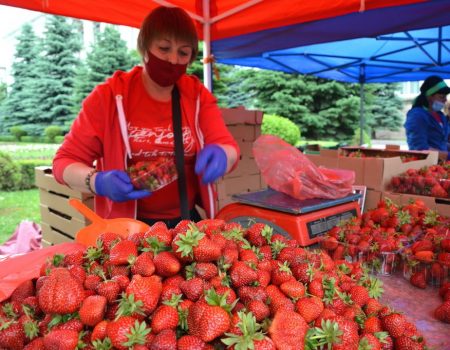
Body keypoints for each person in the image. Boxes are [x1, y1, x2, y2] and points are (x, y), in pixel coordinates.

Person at [53, 6, 240, 228]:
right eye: (163, 48)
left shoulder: (196, 96)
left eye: (183, 52)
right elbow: (63, 163)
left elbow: (229, 148)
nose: (172, 59)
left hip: (185, 222)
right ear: (144, 47)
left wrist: (222, 155)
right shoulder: (110, 97)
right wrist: (97, 181)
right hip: (127, 227)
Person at [404, 75, 450, 159]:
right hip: (425, 166)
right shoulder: (417, 115)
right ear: (429, 96)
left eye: (445, 97)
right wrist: (447, 156)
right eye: (441, 97)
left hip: (442, 164)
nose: (445, 100)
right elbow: (420, 149)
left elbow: (440, 143)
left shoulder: (440, 115)